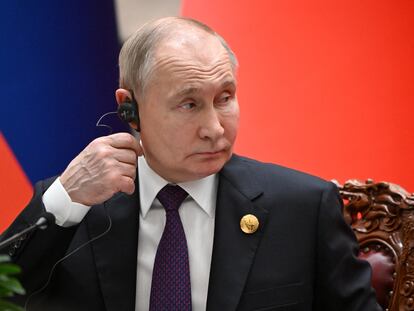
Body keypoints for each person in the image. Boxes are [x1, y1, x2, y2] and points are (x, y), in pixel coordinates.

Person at [1, 17, 381, 311]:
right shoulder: (76, 206)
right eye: (189, 104)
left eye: (225, 97)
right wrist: (65, 201)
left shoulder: (304, 207)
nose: (215, 129)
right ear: (129, 109)